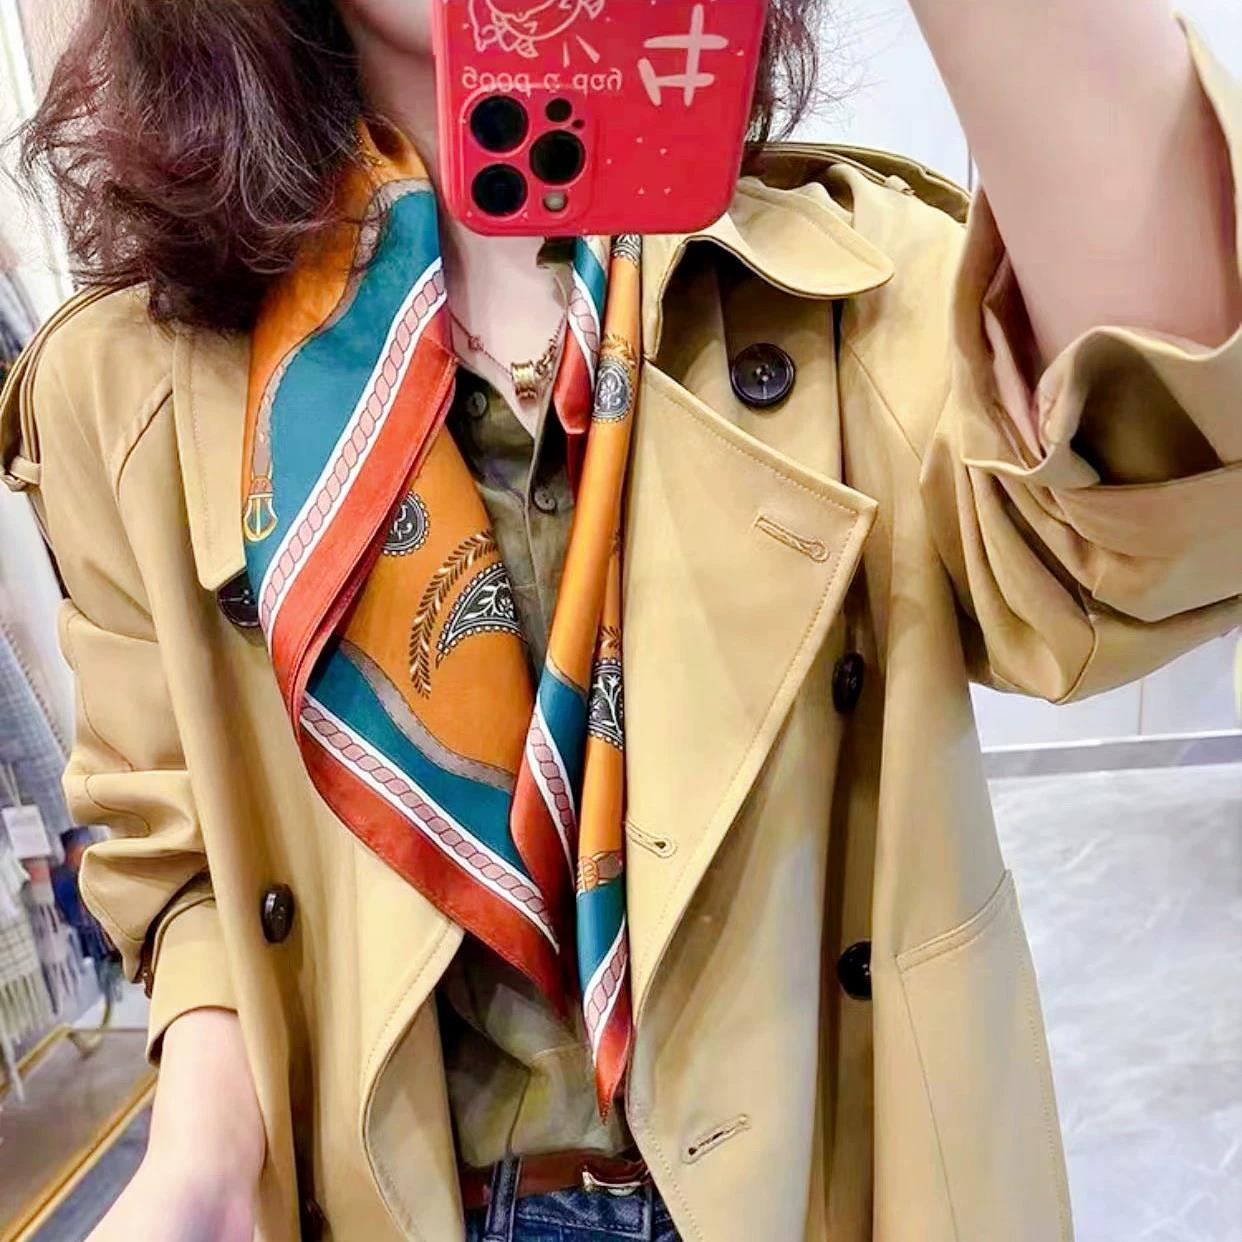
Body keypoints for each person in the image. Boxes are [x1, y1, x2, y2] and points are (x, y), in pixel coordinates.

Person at [2, 1, 1239, 1239]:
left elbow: (1157, 490)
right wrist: (207, 1146)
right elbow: (184, 851)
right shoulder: (127, 389)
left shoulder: (847, 292)